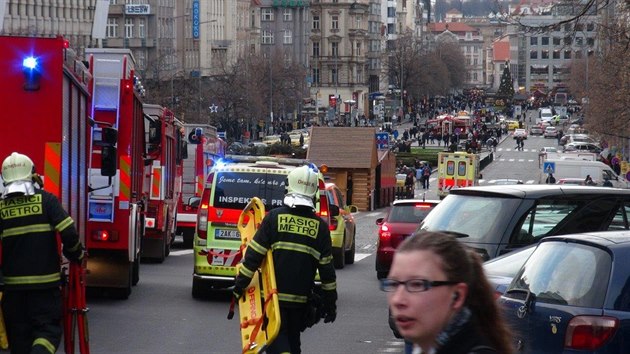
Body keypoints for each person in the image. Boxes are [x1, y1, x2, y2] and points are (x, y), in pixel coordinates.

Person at [233, 165, 337, 354]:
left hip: (273, 300)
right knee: (293, 341)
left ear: (289, 188)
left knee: (277, 342)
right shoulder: (320, 228)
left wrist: (239, 287)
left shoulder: (274, 218)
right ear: (313, 194)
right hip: (300, 303)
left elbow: (253, 257)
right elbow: (327, 274)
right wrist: (331, 304)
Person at [0, 152, 84, 354]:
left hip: (12, 292)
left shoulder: (1, 207)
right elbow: (69, 232)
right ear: (32, 175)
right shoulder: (47, 201)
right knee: (48, 333)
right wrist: (76, 255)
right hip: (44, 289)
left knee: (19, 340)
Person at [383, 231, 514, 354]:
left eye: (417, 284)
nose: (397, 300)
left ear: (457, 296)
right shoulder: (427, 345)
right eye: (394, 283)